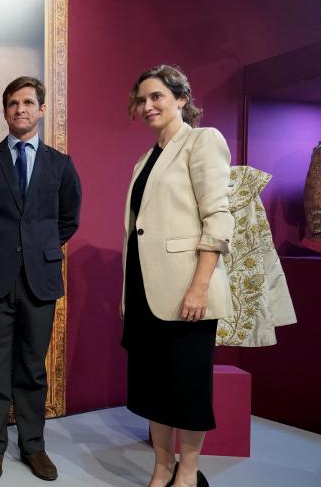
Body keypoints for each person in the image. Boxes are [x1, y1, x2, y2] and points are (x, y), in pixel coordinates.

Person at [0, 76, 82, 481]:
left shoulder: (60, 165)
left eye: (28, 102)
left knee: (31, 368)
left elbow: (68, 220)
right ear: (6, 111)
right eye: (12, 103)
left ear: (41, 109)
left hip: (39, 281)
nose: (20, 109)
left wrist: (36, 250)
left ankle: (33, 447)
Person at [122, 64, 234, 487]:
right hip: (146, 291)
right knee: (155, 388)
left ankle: (188, 473)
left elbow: (217, 219)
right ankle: (161, 467)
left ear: (181, 99)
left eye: (157, 97)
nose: (147, 105)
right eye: (142, 99)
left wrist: (200, 286)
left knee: (186, 389)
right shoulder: (144, 160)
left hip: (187, 290)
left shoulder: (203, 141)